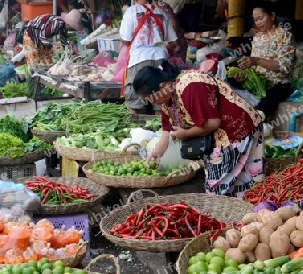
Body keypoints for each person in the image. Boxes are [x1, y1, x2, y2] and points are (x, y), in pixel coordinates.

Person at [133, 64, 265, 197]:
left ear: (162, 87)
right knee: (233, 183)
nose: (153, 103)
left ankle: (245, 210)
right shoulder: (167, 97)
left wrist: (186, 133)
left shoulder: (191, 85)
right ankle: (239, 212)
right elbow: (168, 131)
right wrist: (157, 153)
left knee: (219, 186)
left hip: (236, 128)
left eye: (152, 99)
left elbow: (213, 123)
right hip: (219, 135)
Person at [229, 2, 296, 120]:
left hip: (276, 83)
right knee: (229, 79)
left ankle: (257, 119)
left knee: (274, 94)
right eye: (255, 20)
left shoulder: (284, 36)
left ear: (272, 16)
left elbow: (286, 66)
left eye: (261, 18)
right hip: (257, 81)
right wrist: (244, 74)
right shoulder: (258, 38)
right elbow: (253, 65)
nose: (258, 23)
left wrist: (257, 61)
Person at [119, 0, 178, 114]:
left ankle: (137, 128)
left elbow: (125, 39)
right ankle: (160, 127)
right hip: (161, 58)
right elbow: (174, 42)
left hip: (139, 59)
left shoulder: (132, 11)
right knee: (161, 101)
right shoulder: (161, 12)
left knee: (136, 102)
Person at [156, 0, 188, 64]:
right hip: (168, 44)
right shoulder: (145, 9)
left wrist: (166, 40)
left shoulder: (162, 6)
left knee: (176, 70)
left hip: (176, 45)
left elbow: (174, 25)